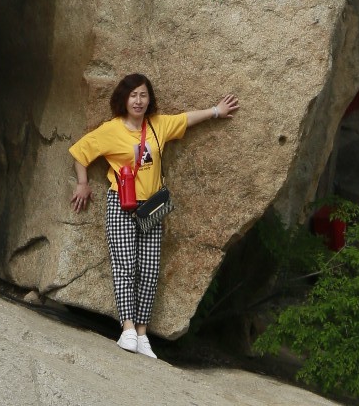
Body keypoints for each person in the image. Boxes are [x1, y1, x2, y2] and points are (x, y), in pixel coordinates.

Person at [70, 72, 238, 357]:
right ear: (124, 99)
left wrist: (216, 112)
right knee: (126, 266)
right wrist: (83, 183)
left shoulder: (158, 125)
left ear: (150, 99)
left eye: (143, 95)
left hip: (152, 207)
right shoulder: (111, 130)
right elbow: (80, 153)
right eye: (133, 95)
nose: (138, 100)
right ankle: (127, 328)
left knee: (148, 270)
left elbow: (185, 119)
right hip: (122, 205)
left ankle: (142, 334)